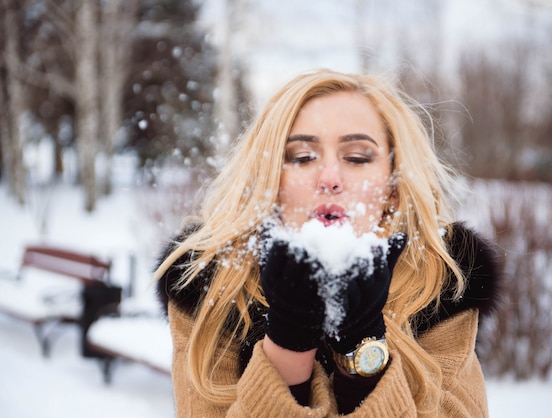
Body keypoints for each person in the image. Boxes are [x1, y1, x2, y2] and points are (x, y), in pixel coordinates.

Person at [155, 69, 499, 417]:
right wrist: (287, 348)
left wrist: (363, 353)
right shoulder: (208, 284)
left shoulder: (442, 284)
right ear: (268, 180)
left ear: (394, 185)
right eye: (302, 157)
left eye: (357, 157)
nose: (330, 179)